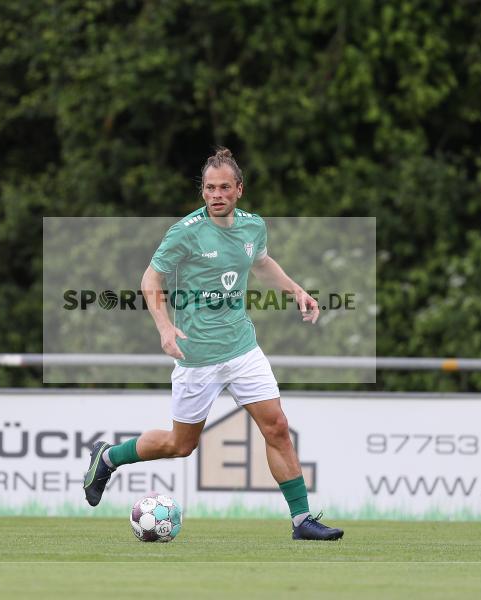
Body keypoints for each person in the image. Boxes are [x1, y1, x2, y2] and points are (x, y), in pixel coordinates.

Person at [83, 147, 343, 541]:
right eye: (209, 188)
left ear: (239, 189)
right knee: (179, 444)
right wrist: (165, 327)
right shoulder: (185, 232)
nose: (216, 194)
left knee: (278, 426)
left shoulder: (253, 227)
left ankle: (301, 520)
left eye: (224, 187)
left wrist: (296, 291)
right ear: (202, 192)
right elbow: (149, 281)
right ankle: (109, 457)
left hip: (242, 348)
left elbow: (261, 263)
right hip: (197, 356)